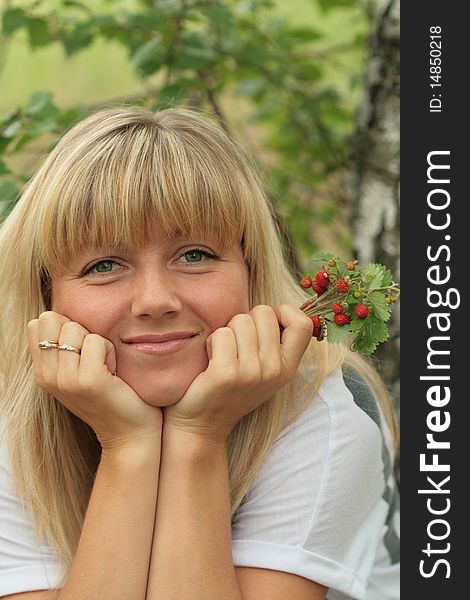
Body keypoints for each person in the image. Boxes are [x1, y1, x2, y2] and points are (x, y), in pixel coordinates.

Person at [0, 107, 399, 599]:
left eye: (195, 255)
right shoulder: (12, 422)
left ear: (249, 270)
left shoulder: (320, 411)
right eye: (104, 264)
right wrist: (129, 445)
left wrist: (198, 436)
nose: (155, 301)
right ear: (47, 295)